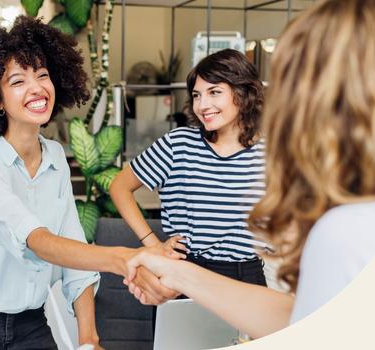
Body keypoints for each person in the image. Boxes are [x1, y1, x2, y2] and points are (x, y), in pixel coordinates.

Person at [124, 0, 375, 339]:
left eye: (301, 83)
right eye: (197, 95)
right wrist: (171, 267)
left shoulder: (348, 230)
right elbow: (301, 319)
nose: (290, 106)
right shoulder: (358, 220)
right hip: (193, 269)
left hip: (246, 271)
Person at [0, 16, 182, 349]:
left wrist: (89, 338)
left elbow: (71, 244)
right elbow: (37, 240)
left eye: (42, 75)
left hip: (30, 319)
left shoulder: (54, 158)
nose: (37, 88)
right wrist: (123, 258)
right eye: (18, 81)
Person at [109, 49, 268, 304]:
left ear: (243, 93)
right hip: (184, 274)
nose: (203, 105)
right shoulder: (178, 144)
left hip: (246, 277)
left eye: (214, 92)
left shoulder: (269, 153)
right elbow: (119, 187)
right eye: (197, 95)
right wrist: (152, 243)